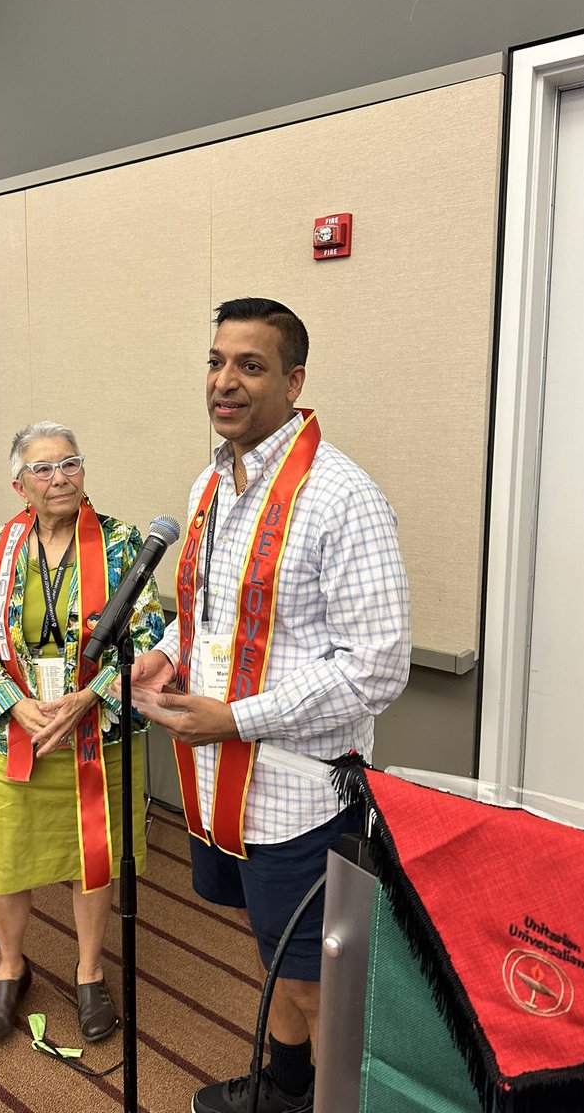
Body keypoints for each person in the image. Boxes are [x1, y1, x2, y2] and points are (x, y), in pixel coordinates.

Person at [130, 299, 410, 1113]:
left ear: (294, 381)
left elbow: (377, 669)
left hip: (303, 797)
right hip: (224, 786)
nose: (225, 381)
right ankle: (286, 1090)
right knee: (280, 958)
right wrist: (167, 651)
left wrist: (239, 718)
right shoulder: (215, 481)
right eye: (216, 361)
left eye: (250, 366)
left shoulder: (342, 498)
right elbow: (209, 610)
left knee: (324, 986)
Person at [0, 420, 164, 1046]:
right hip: (19, 735)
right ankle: (10, 967)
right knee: (8, 862)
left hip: (98, 737)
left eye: (70, 463)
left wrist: (91, 698)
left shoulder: (124, 544)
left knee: (91, 858)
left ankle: (90, 971)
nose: (60, 477)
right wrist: (12, 703)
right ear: (20, 484)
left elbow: (153, 636)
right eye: (43, 469)